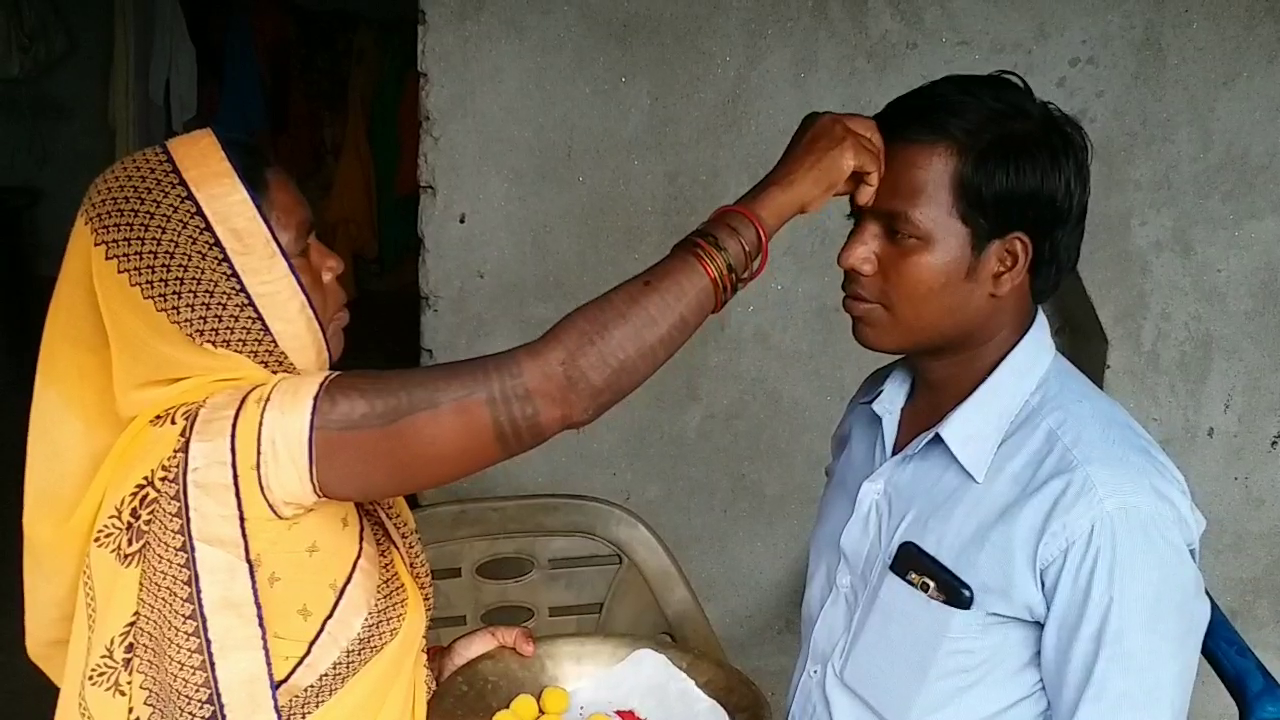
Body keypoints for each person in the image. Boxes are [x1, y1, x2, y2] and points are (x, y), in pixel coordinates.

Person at [23, 113, 884, 719]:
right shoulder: (251, 439)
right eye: (298, 249)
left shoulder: (194, 447)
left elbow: (278, 659)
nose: (334, 263)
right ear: (221, 292)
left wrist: (432, 673)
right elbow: (553, 390)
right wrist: (776, 203)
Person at [786, 71, 1209, 720]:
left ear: (1005, 263)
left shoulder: (1103, 510)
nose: (853, 254)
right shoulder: (876, 411)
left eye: (898, 233)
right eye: (858, 221)